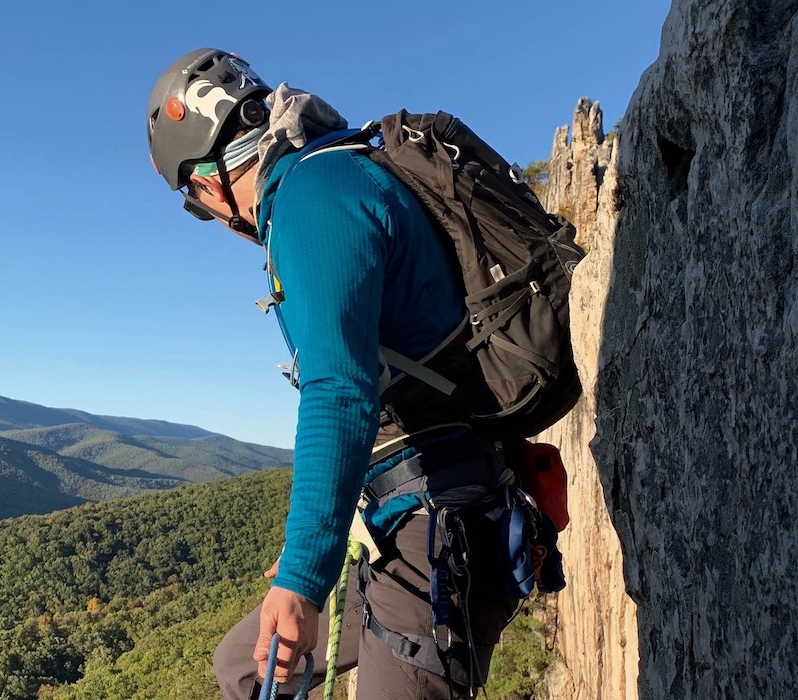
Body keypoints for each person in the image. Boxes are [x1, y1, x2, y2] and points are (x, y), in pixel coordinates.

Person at [146, 48, 521, 700]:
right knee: (244, 665)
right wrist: (319, 536)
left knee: (270, 658)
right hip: (412, 517)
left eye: (196, 204)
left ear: (207, 179)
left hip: (435, 532)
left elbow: (338, 391)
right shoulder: (340, 178)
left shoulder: (311, 198)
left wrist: (301, 578)